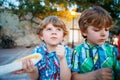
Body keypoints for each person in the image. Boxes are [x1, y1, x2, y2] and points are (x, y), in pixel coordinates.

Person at [14, 16, 72, 80]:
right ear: (41, 36)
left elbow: (66, 79)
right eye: (49, 29)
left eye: (58, 29)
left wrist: (62, 58)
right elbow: (34, 78)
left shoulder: (67, 51)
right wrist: (33, 70)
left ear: (63, 36)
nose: (54, 32)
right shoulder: (37, 52)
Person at [71, 6, 120, 80]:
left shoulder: (112, 50)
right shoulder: (77, 51)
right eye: (97, 30)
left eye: (106, 29)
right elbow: (73, 77)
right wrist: (94, 76)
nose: (103, 34)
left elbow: (117, 73)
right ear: (84, 31)